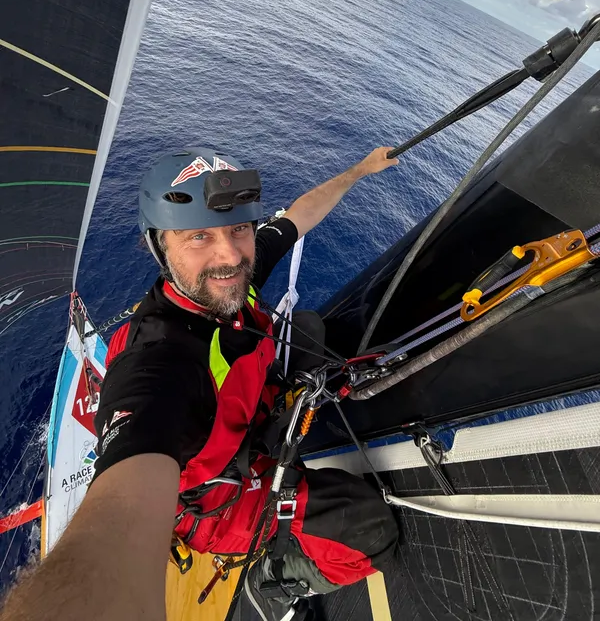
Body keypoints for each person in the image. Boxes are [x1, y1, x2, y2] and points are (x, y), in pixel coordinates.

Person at [0, 146, 399, 621]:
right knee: (371, 530)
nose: (229, 254)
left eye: (239, 229)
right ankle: (275, 582)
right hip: (216, 500)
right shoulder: (159, 362)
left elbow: (297, 216)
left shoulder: (228, 279)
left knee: (314, 330)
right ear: (160, 247)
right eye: (198, 236)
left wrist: (360, 168)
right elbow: (123, 500)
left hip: (248, 423)